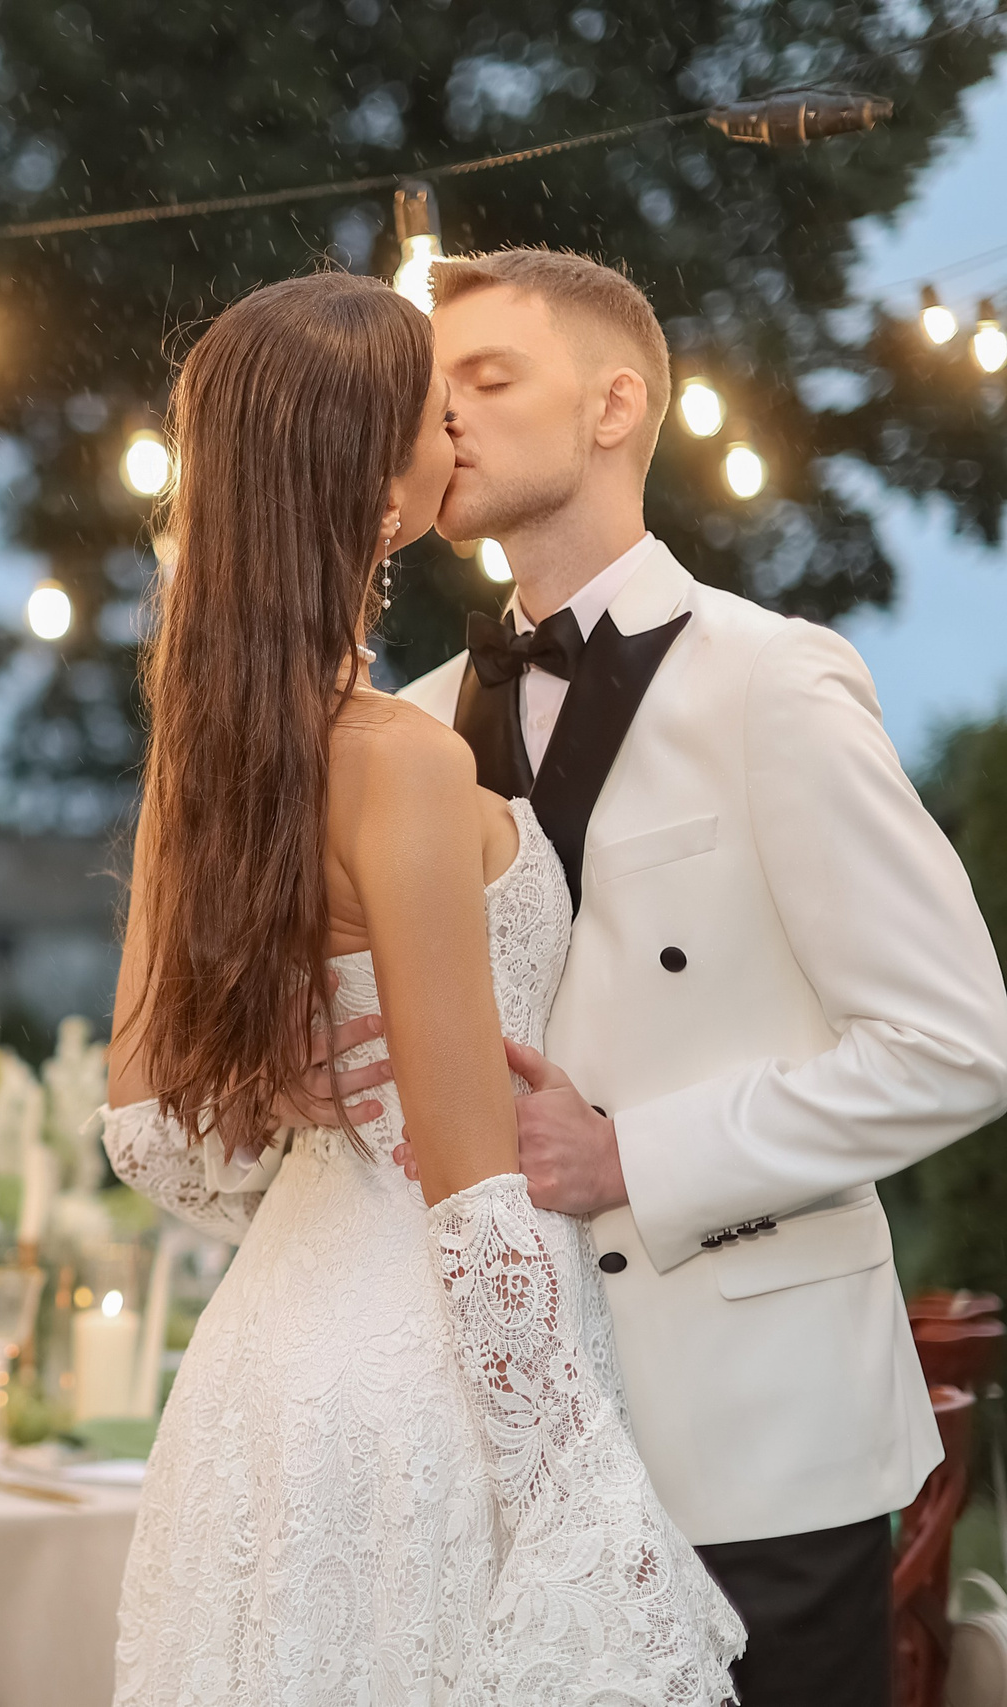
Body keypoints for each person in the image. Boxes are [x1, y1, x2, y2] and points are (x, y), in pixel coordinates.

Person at [375, 248, 1007, 1706]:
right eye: (433, 391)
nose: (447, 420)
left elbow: (955, 1041)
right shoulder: (408, 726)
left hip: (760, 1437)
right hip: (504, 1443)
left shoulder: (776, 679)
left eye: (489, 378)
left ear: (615, 404)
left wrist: (632, 1153)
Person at [99, 270, 742, 1702]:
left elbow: (145, 1136)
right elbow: (471, 1185)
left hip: (261, 1381)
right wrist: (582, 1498)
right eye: (432, 410)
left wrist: (275, 1100)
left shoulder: (203, 746)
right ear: (378, 482)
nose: (458, 428)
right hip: (423, 1396)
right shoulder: (399, 758)